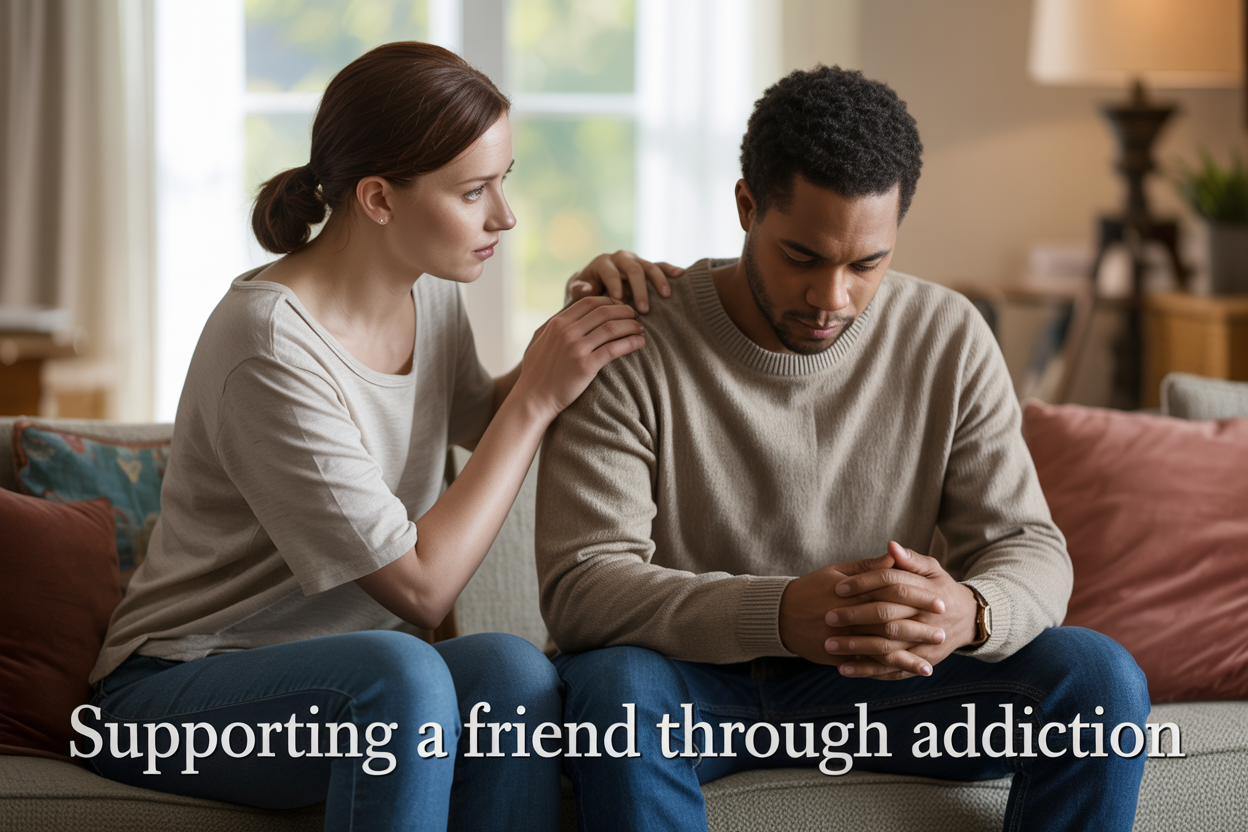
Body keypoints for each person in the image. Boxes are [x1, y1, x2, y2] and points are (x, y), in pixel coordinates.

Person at [535, 66, 1150, 832]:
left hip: (880, 690)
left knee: (1098, 679)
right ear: (746, 207)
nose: (832, 299)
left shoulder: (948, 335)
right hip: (686, 685)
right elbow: (583, 585)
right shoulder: (630, 335)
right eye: (802, 257)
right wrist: (777, 613)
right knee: (617, 691)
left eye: (866, 264)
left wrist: (973, 612)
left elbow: (1028, 543)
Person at [85, 42, 678, 832]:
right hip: (168, 696)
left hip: (364, 689)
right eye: (473, 191)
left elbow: (480, 418)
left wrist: (580, 323)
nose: (504, 216)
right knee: (402, 672)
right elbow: (422, 587)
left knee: (512, 671)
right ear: (378, 199)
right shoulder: (269, 346)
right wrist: (536, 398)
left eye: (503, 180)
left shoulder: (428, 297)